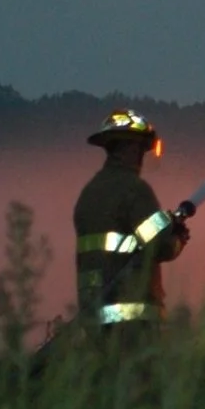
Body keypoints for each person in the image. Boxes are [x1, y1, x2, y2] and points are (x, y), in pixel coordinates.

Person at [73, 110, 191, 328]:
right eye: (141, 149)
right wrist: (178, 239)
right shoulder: (134, 190)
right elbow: (161, 246)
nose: (141, 157)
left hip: (93, 317)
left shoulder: (89, 194)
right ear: (131, 148)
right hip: (134, 321)